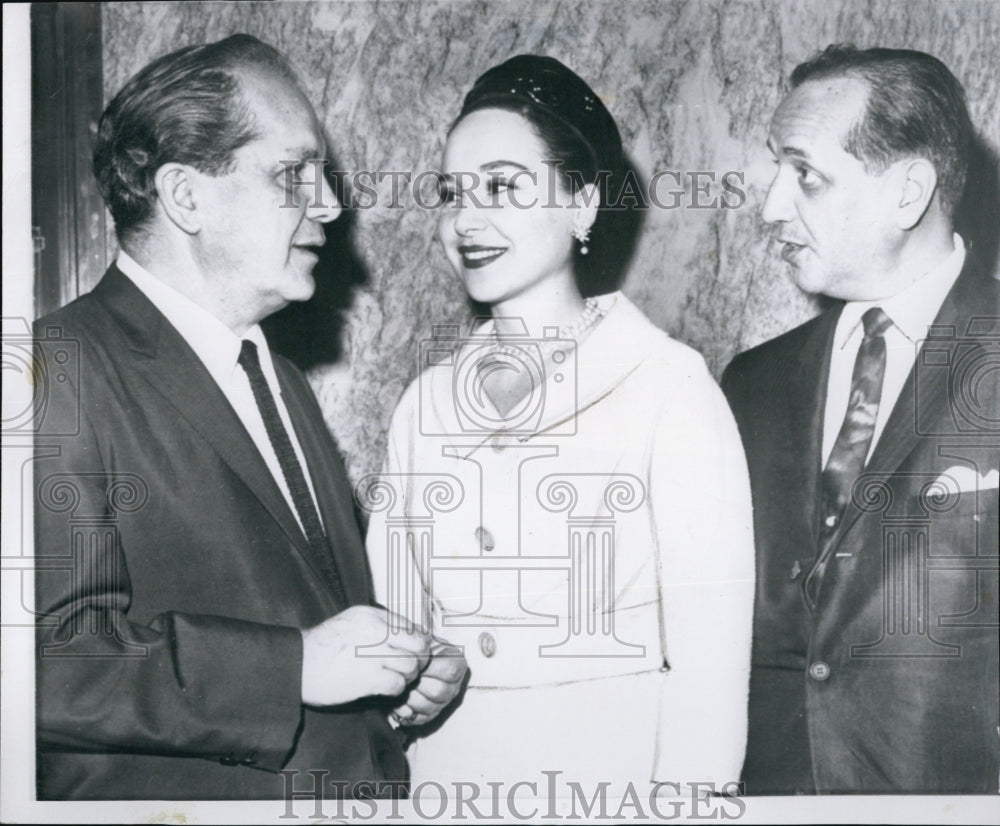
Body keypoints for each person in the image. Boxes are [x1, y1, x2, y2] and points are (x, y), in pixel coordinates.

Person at [32, 34, 466, 800]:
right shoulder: (55, 368)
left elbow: (303, 613)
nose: (330, 206)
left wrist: (397, 674)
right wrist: (295, 666)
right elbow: (45, 662)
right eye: (293, 175)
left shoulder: (280, 377)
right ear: (186, 196)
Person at [361, 54, 755, 794]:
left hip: (615, 784)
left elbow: (712, 672)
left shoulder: (668, 386)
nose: (467, 221)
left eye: (503, 187)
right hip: (448, 784)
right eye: (453, 193)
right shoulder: (424, 404)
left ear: (581, 205)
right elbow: (396, 631)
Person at [721, 45, 999, 794]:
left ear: (908, 192)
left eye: (804, 173)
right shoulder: (752, 383)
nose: (773, 204)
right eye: (777, 169)